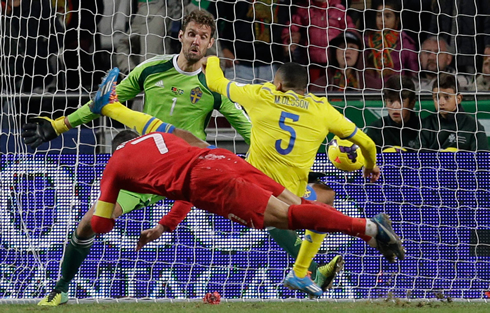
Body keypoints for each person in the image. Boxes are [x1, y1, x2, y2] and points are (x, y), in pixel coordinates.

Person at [22, 10, 252, 306]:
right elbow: (105, 102)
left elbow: (247, 128)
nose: (196, 41)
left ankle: (307, 271)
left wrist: (271, 158)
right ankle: (61, 288)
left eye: (203, 37)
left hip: (187, 169)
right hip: (146, 166)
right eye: (192, 34)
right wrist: (58, 125)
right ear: (180, 36)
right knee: (89, 223)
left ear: (210, 44)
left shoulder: (214, 85)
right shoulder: (151, 69)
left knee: (257, 207)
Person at [86, 85, 404, 298]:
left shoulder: (116, 164)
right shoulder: (161, 140)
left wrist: (109, 213)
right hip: (222, 158)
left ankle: (368, 229)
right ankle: (321, 261)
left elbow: (99, 226)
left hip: (207, 179)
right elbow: (185, 154)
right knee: (302, 206)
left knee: (285, 218)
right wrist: (164, 226)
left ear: (115, 149)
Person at [199, 56, 389, 297]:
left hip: (253, 190)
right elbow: (367, 143)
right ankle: (313, 267)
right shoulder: (322, 109)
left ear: (278, 84)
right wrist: (370, 166)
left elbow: (215, 81)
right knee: (320, 205)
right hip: (286, 195)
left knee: (304, 208)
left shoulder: (261, 94)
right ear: (305, 88)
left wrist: (212, 59)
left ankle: (311, 268)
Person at [281, 0, 356, 84]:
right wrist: (288, 41)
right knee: (314, 87)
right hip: (312, 62)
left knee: (334, 86)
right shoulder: (304, 10)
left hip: (334, 61)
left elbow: (350, 30)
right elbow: (290, 28)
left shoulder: (339, 10)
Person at [418, 73, 489, 151]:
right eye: (437, 97)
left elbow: (482, 161)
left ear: (458, 99)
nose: (441, 102)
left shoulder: (473, 127)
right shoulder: (426, 125)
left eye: (447, 97)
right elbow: (418, 160)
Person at [363, 0, 418, 90]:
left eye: (387, 16)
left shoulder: (404, 42)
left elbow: (413, 73)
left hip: (398, 91)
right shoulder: (366, 41)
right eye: (379, 15)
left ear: (397, 19)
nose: (382, 20)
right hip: (371, 91)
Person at [365, 75, 420, 152]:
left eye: (401, 101)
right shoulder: (376, 130)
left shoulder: (423, 128)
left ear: (412, 103)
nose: (395, 107)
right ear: (385, 103)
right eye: (391, 101)